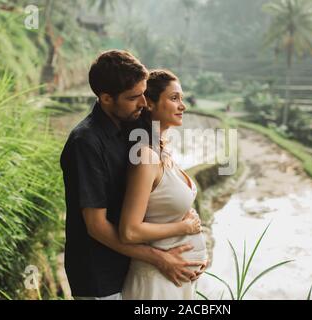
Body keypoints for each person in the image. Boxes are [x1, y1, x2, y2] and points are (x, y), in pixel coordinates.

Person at [60, 50, 206, 300]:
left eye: (144, 94)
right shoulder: (86, 142)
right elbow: (97, 226)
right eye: (134, 97)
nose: (143, 102)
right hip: (101, 278)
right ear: (106, 98)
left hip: (133, 268)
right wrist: (161, 259)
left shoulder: (131, 125)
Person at [121, 70, 208, 300]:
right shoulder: (145, 156)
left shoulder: (162, 150)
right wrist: (184, 229)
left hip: (176, 279)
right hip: (155, 285)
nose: (183, 106)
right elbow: (129, 231)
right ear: (149, 104)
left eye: (182, 98)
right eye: (174, 98)